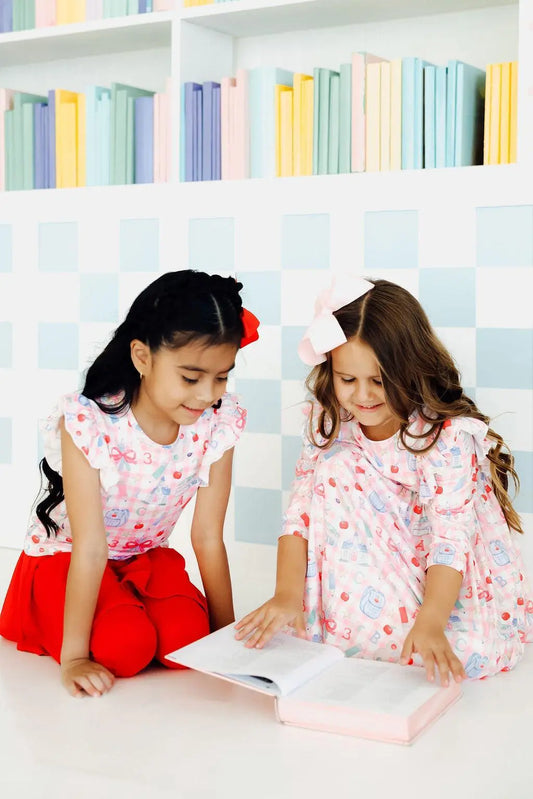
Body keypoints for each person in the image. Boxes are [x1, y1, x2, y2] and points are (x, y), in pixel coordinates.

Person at [236, 275, 532, 685]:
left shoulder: (443, 437)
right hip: (366, 577)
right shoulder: (329, 423)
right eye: (347, 379)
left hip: (439, 583)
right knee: (334, 469)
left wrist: (430, 622)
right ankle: (354, 628)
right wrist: (287, 595)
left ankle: (409, 631)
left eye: (379, 380)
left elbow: (450, 538)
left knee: (461, 651)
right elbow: (299, 513)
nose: (363, 396)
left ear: (410, 368)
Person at [0, 269, 259, 698]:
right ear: (142, 357)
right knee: (125, 647)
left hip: (144, 560)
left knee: (186, 645)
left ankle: (136, 607)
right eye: (191, 378)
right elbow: (90, 546)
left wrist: (224, 638)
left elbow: (208, 536)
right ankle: (100, 621)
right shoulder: (91, 424)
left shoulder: (218, 422)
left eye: (222, 377)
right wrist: (75, 657)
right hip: (69, 561)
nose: (206, 395)